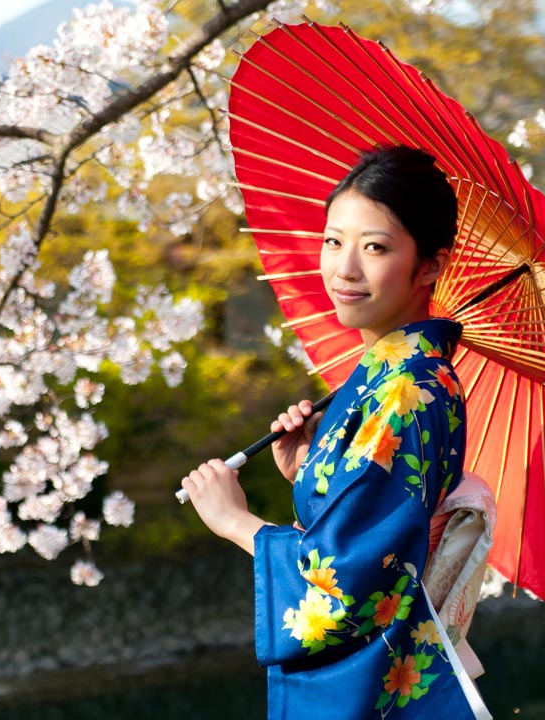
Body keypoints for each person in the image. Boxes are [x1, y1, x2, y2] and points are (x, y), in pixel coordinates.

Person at [182, 145, 483, 718]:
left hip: (369, 686)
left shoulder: (403, 389)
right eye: (333, 240)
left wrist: (235, 522)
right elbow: (367, 512)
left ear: (431, 266)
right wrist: (311, 471)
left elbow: (350, 584)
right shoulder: (396, 376)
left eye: (374, 247)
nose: (344, 268)